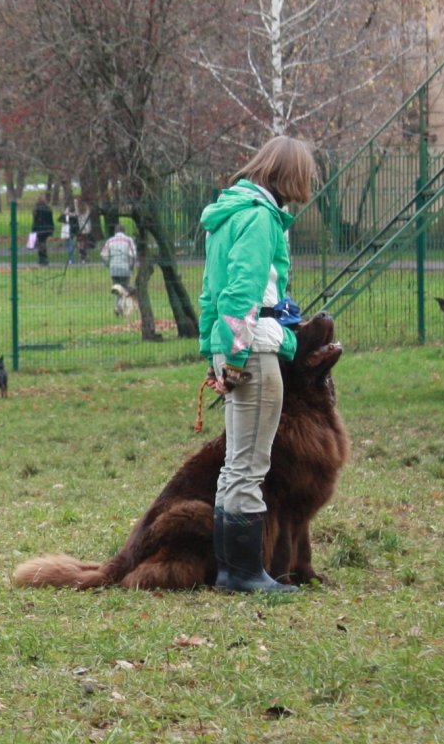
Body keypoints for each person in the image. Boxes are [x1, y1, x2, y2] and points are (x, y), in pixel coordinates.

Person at [198, 135, 317, 593]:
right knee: (250, 467)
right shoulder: (262, 219)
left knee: (234, 465)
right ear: (290, 176)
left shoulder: (225, 216)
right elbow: (242, 293)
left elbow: (212, 295)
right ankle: (245, 575)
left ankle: (234, 571)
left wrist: (217, 353)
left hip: (234, 348)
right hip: (256, 351)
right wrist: (236, 357)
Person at [100, 224, 137, 315]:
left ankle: (118, 307)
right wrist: (131, 266)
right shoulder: (129, 240)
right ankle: (119, 307)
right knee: (124, 288)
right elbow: (133, 255)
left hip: (114, 269)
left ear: (115, 232)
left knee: (117, 289)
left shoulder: (110, 241)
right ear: (124, 231)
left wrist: (108, 264)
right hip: (125, 268)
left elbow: (103, 255)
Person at [32, 195, 54, 266]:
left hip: (39, 228)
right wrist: (51, 229)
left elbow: (35, 220)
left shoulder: (36, 209)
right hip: (47, 228)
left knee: (41, 243)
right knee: (43, 243)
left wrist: (33, 229)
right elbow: (51, 220)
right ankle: (44, 258)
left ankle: (42, 258)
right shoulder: (48, 209)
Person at [75, 198, 92, 264]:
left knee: (80, 245)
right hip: (87, 230)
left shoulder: (78, 214)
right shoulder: (87, 213)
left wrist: (76, 203)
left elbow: (76, 211)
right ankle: (85, 256)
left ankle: (83, 258)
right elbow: (89, 209)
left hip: (81, 231)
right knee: (85, 244)